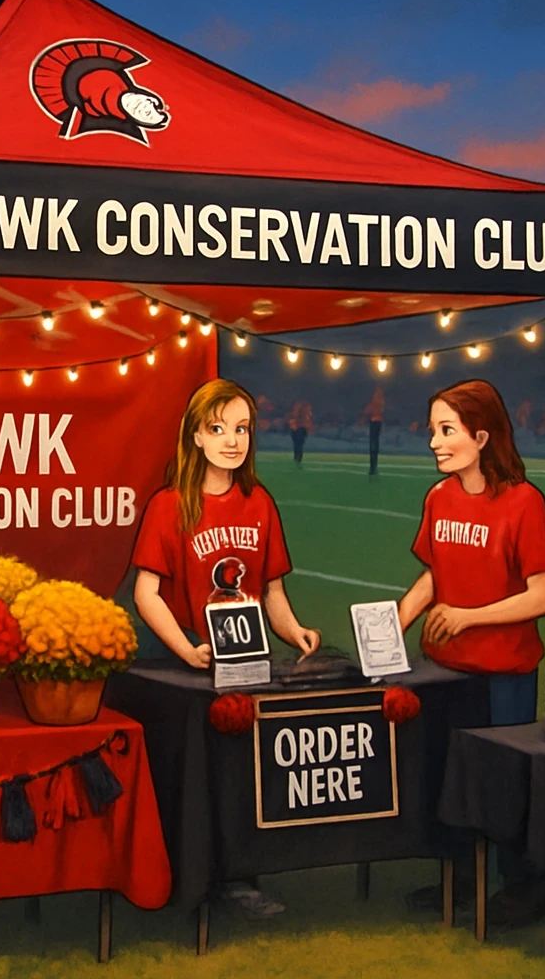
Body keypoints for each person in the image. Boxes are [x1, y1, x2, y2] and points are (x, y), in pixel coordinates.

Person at [131, 378, 321, 919]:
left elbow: (271, 592)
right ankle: (191, 879)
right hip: (189, 671)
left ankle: (242, 879)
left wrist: (296, 632)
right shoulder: (169, 506)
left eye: (241, 429)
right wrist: (187, 649)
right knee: (198, 779)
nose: (232, 441)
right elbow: (147, 593)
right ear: (196, 435)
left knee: (246, 776)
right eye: (218, 429)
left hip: (249, 666)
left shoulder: (258, 502)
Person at [395, 379, 545, 925]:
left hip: (503, 673)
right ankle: (463, 877)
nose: (434, 443)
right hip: (444, 671)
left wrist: (469, 615)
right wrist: (395, 621)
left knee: (506, 781)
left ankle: (524, 886)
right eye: (433, 431)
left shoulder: (523, 501)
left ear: (482, 435)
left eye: (446, 431)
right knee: (449, 777)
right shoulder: (438, 498)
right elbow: (433, 573)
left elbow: (544, 594)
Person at [364, 387, 385, 476]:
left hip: (374, 422)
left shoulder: (376, 403)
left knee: (373, 444)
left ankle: (372, 467)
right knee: (375, 444)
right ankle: (373, 467)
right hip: (377, 422)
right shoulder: (381, 403)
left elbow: (367, 412)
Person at [287, 399, 312, 466]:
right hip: (297, 428)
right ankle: (297, 458)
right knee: (298, 445)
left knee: (298, 445)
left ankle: (297, 458)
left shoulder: (303, 412)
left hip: (299, 428)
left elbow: (307, 420)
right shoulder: (296, 413)